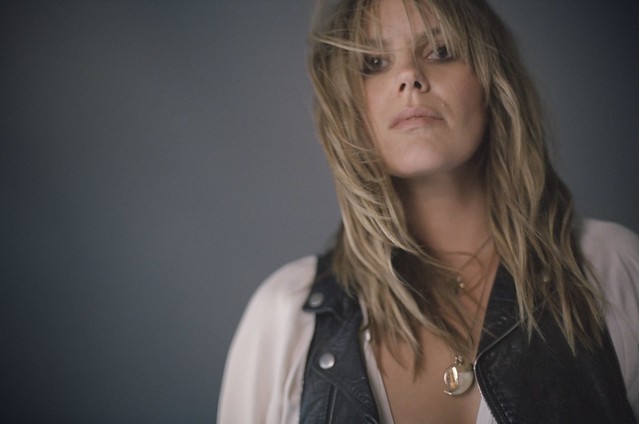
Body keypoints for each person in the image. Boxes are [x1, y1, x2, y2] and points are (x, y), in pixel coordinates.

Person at [218, 0, 639, 422]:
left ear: (492, 81)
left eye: (441, 51)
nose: (409, 77)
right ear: (347, 109)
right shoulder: (285, 318)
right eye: (374, 62)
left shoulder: (611, 270)